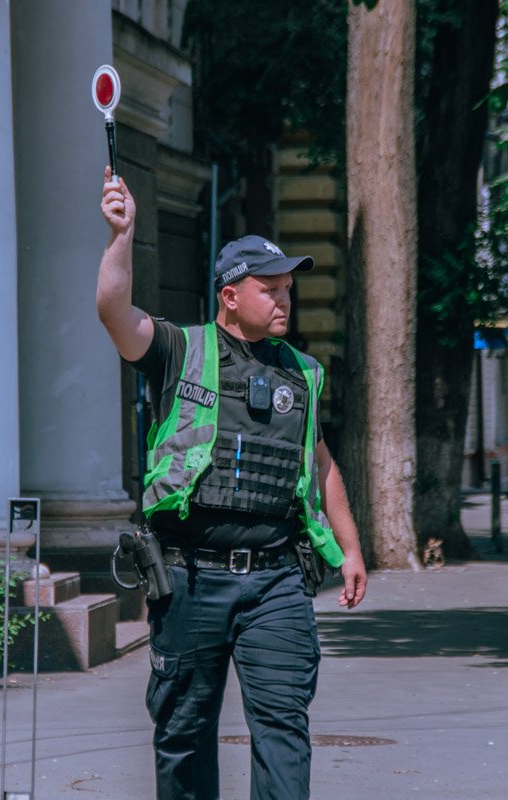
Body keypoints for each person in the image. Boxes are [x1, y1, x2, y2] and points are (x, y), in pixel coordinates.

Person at [96, 167, 367, 800]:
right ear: (229, 295)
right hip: (190, 577)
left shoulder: (302, 373)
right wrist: (121, 234)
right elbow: (113, 311)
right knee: (185, 736)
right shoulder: (178, 352)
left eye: (288, 290)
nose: (284, 300)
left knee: (283, 729)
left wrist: (350, 548)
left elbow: (320, 462)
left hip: (275, 577)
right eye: (269, 289)